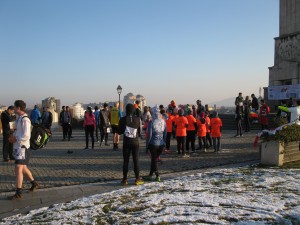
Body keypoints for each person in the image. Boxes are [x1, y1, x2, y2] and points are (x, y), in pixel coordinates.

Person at [8, 100, 39, 199]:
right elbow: (19, 132)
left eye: (15, 107)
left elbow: (26, 135)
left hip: (23, 147)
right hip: (18, 147)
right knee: (23, 168)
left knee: (18, 168)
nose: (14, 108)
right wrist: (13, 135)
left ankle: (19, 192)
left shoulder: (25, 120)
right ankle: (34, 183)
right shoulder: (19, 118)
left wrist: (15, 138)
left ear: (18, 108)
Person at [118, 103, 144, 186]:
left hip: (127, 142)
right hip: (135, 142)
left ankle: (125, 179)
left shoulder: (122, 119)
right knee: (136, 160)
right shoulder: (138, 119)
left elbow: (120, 131)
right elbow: (140, 131)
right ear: (133, 110)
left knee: (126, 161)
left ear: (126, 110)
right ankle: (137, 178)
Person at [143, 105, 167, 182]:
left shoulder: (152, 122)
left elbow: (149, 135)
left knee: (154, 160)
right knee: (154, 160)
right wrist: (164, 142)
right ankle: (150, 175)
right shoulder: (163, 121)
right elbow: (165, 133)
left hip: (153, 144)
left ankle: (157, 175)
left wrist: (147, 146)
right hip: (161, 144)